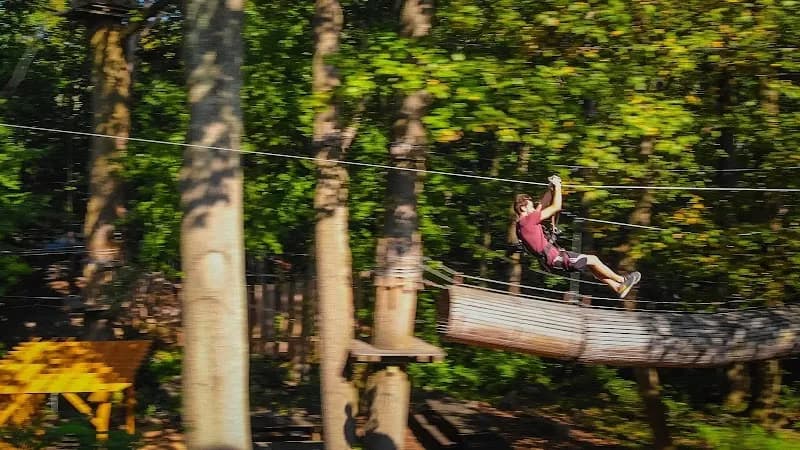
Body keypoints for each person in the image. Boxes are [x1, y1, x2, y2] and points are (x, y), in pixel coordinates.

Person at [514, 175, 641, 298]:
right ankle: (623, 280)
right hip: (556, 258)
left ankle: (617, 287)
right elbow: (555, 207)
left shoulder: (520, 225)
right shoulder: (529, 220)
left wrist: (549, 189)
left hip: (552, 260)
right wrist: (557, 187)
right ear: (523, 208)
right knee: (593, 260)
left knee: (592, 265)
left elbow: (541, 205)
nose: (533, 209)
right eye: (530, 206)